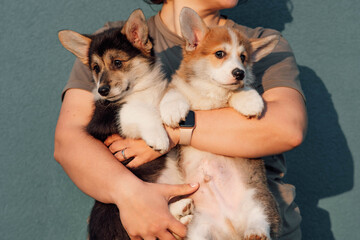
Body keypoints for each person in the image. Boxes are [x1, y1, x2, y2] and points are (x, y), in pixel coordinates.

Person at [54, 0, 307, 239]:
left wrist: (176, 132)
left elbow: (287, 129)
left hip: (256, 224)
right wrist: (131, 195)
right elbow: (69, 142)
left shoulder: (255, 43)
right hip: (155, 226)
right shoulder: (112, 41)